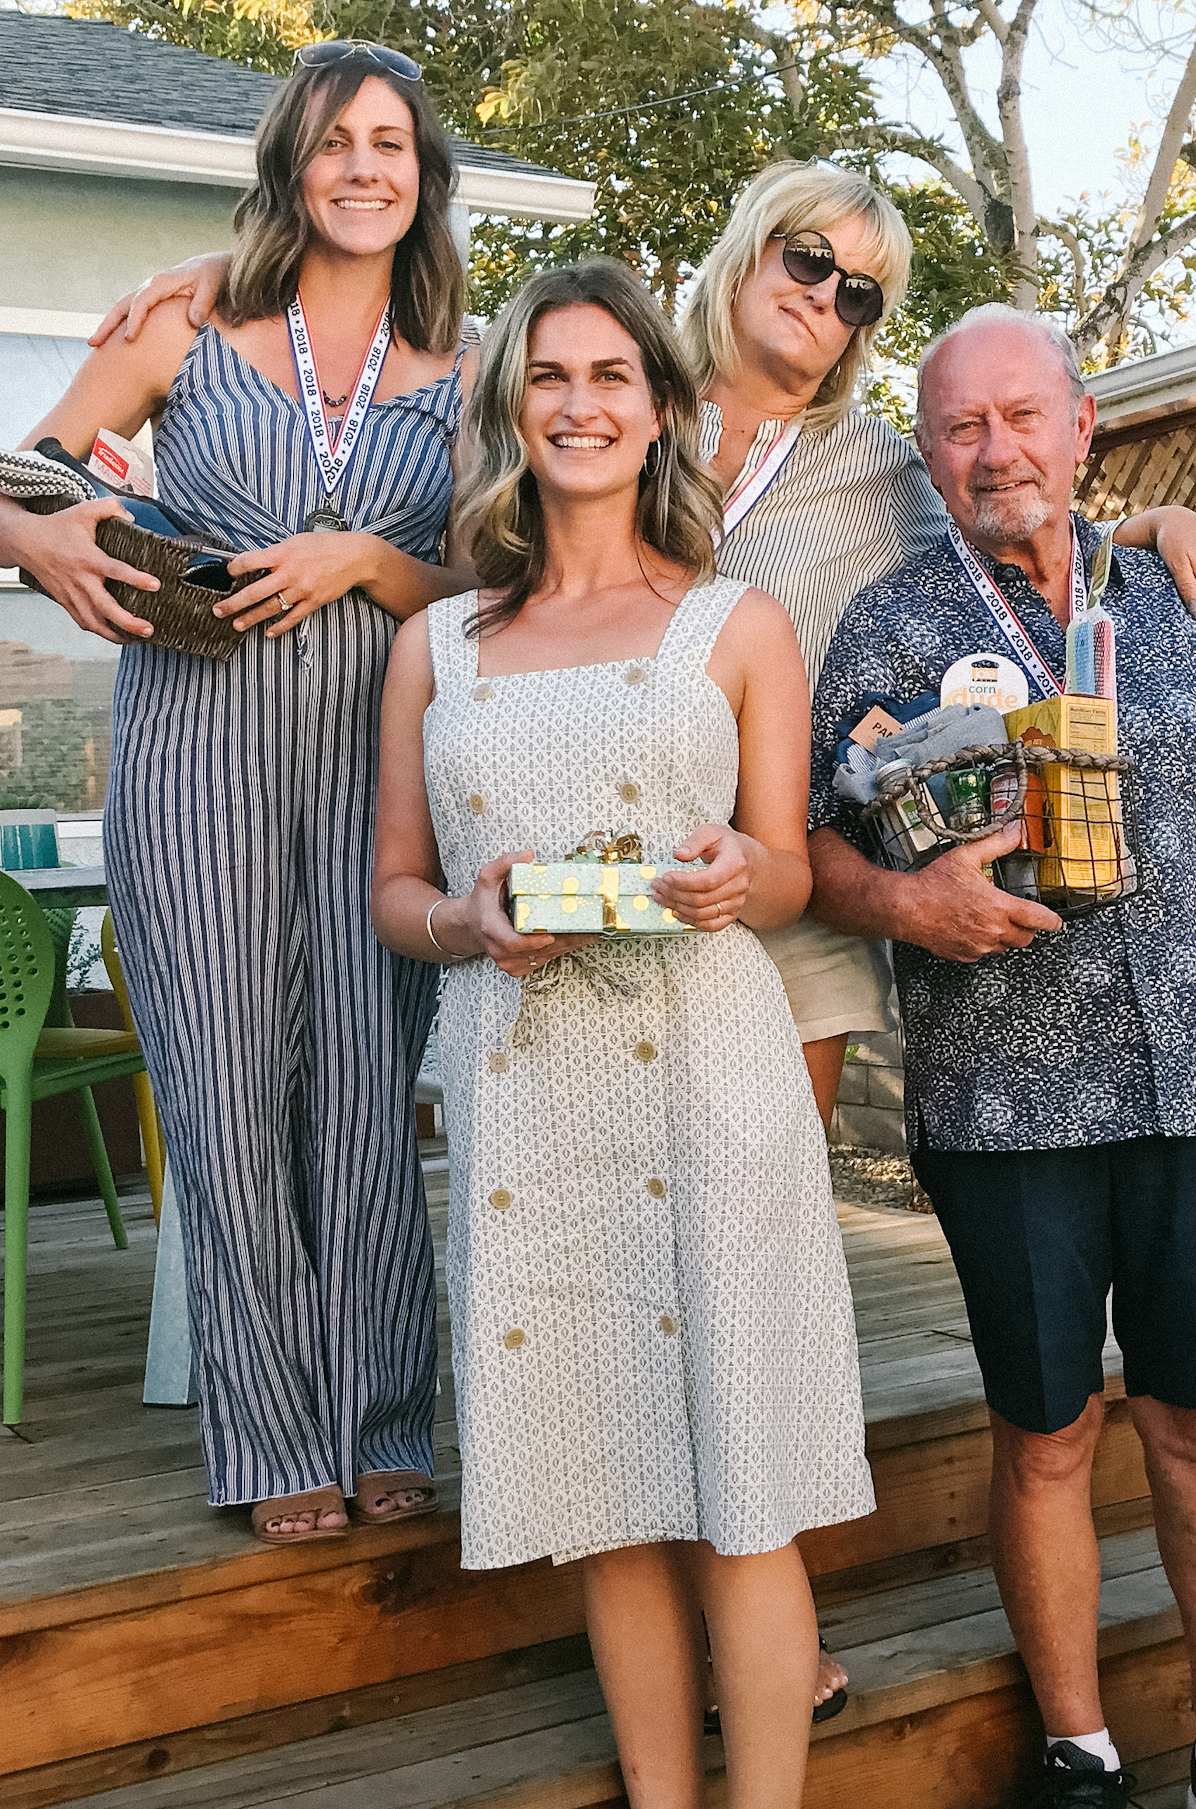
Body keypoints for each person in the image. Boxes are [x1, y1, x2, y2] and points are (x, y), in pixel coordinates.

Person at [95, 158, 1196, 1700]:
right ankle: (637, 1558)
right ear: (739, 246)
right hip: (578, 891)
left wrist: (1162, 512)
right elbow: (441, 471)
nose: (827, 297)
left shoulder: (884, 475)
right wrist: (217, 299)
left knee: (757, 1264)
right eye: (804, 257)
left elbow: (1024, 489)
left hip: (788, 890)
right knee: (611, 1254)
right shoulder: (613, 378)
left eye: (863, 291)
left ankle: (779, 1627)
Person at [805, 304, 1196, 1809]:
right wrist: (907, 899)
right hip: (1005, 1104)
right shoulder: (891, 628)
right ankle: (1077, 1751)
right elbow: (812, 855)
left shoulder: (1177, 597)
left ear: (1082, 420)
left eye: (1021, 417)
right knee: (1044, 1436)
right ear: (930, 452)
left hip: (1190, 1085)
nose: (997, 452)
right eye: (962, 429)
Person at [370, 257, 873, 1809]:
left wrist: (741, 872)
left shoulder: (739, 624)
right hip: (531, 1100)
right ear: (511, 408)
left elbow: (785, 864)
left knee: (745, 1491)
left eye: (611, 378)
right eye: (549, 377)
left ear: (661, 409)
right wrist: (469, 919)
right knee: (601, 1487)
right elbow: (397, 890)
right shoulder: (437, 646)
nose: (580, 406)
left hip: (711, 1084)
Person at [0, 42, 478, 1540]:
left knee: (373, 1099)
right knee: (225, 1091)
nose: (365, 167)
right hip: (193, 766)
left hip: (384, 777)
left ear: (423, 178)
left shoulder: (469, 374)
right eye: (336, 141)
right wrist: (42, 540)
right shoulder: (189, 321)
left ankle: (384, 1415)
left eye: (392, 142)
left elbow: (500, 580)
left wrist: (378, 563)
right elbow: (10, 482)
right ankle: (268, 1437)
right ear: (292, 168)